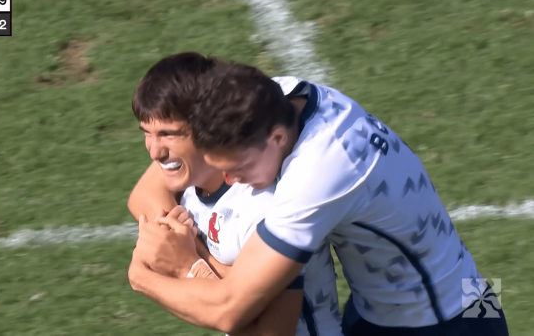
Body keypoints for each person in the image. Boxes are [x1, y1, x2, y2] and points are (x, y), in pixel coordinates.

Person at [128, 54, 509, 336]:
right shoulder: (269, 99)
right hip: (389, 305)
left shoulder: (317, 175)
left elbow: (232, 309)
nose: (230, 178)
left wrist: (159, 271)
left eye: (238, 168)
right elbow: (154, 184)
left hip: (448, 320)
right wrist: (177, 237)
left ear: (276, 139)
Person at [128, 52, 343, 335]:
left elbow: (269, 331)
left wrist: (181, 266)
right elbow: (142, 195)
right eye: (148, 133)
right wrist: (174, 235)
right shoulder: (190, 174)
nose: (155, 151)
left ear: (206, 126)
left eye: (169, 134)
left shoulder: (265, 208)